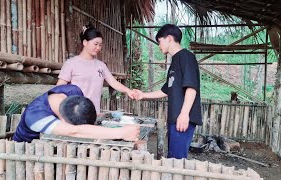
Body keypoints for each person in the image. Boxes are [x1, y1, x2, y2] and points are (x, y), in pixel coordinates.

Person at [134, 24, 202, 159]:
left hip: (182, 118)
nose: (159, 46)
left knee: (177, 160)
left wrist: (184, 114)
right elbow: (166, 90)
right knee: (172, 158)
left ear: (169, 38)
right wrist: (143, 95)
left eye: (159, 41)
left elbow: (191, 87)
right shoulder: (175, 61)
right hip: (175, 118)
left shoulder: (186, 57)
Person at [12, 84, 140, 143]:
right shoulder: (35, 116)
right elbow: (74, 131)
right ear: (64, 120)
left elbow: (79, 124)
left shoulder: (73, 90)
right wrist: (121, 132)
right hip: (27, 148)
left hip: (54, 142)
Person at [57, 23, 136, 114]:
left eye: (100, 45)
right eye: (95, 44)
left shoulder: (101, 65)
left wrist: (128, 91)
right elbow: (58, 89)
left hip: (94, 114)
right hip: (74, 114)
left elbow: (114, 83)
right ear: (85, 42)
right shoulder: (71, 63)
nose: (98, 48)